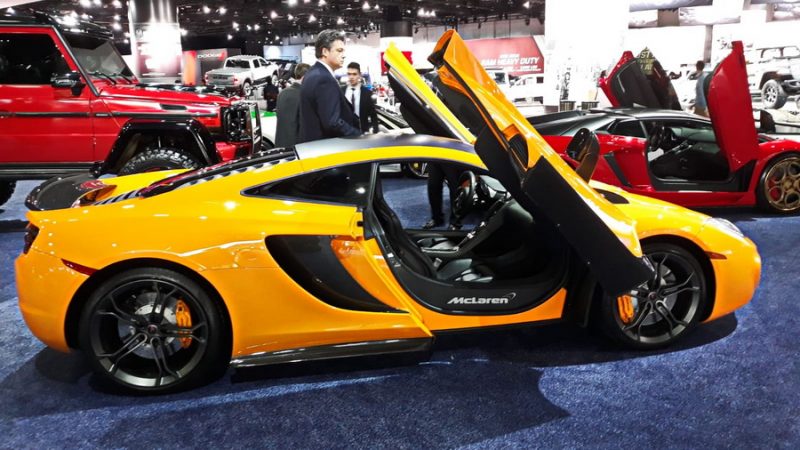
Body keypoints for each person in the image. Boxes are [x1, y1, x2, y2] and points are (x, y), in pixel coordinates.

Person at [298, 29, 361, 143]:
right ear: (325, 51)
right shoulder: (324, 78)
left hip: (313, 145)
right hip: (326, 147)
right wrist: (359, 136)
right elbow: (332, 122)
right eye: (339, 51)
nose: (344, 56)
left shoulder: (313, 73)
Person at [274, 63, 310, 148]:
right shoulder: (304, 96)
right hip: (297, 148)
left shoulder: (282, 93)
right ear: (305, 77)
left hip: (280, 145)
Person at [342, 62, 379, 133]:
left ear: (360, 75)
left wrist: (375, 131)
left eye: (354, 74)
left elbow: (373, 115)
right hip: (345, 132)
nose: (351, 77)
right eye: (349, 74)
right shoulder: (341, 91)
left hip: (362, 132)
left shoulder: (366, 93)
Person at [423, 163, 462, 230]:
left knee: (455, 190)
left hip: (453, 159)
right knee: (433, 187)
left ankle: (455, 222)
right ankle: (436, 219)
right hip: (435, 159)